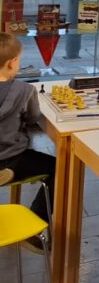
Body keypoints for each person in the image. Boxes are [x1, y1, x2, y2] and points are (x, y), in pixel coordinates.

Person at [0, 34, 55, 251]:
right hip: (12, 154)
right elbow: (33, 118)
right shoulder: (24, 91)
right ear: (12, 62)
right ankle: (36, 222)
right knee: (57, 167)